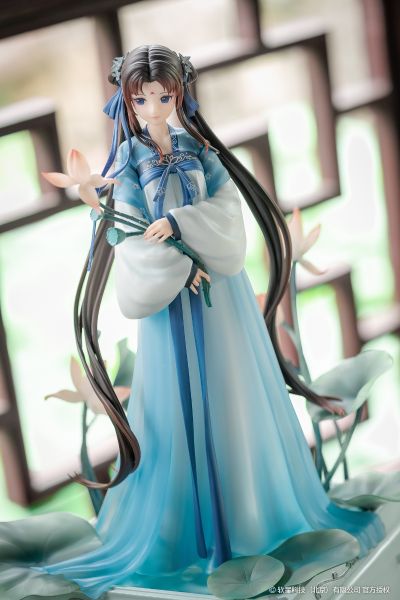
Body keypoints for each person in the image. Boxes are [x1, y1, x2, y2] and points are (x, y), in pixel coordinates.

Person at [36, 45, 385, 599]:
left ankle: (249, 517)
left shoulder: (201, 150)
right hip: (169, 302)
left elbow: (228, 214)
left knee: (231, 395)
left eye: (164, 97)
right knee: (178, 409)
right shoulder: (126, 159)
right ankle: (190, 535)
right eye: (142, 99)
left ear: (181, 95)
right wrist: (178, 265)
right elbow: (126, 230)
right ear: (126, 100)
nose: (153, 108)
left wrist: (180, 226)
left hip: (222, 297)